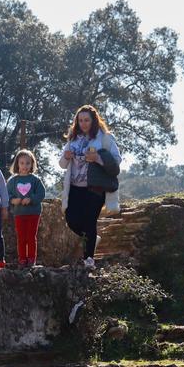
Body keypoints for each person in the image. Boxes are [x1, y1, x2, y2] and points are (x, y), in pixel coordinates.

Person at [58, 105, 120, 269]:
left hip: (95, 187)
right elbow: (62, 164)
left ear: (94, 121)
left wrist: (98, 158)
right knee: (71, 220)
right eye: (81, 120)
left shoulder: (105, 138)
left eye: (87, 120)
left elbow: (116, 162)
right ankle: (92, 240)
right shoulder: (73, 139)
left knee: (89, 222)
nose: (84, 123)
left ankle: (89, 259)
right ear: (77, 122)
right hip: (74, 187)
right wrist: (65, 156)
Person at [6, 149, 46, 268]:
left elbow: (41, 194)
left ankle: (31, 259)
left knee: (31, 236)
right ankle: (22, 259)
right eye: (22, 163)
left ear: (32, 164)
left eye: (28, 163)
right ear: (17, 164)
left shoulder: (35, 180)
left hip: (33, 213)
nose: (24, 166)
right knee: (21, 237)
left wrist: (31, 199)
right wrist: (13, 200)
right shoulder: (12, 181)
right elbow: (6, 194)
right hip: (19, 213)